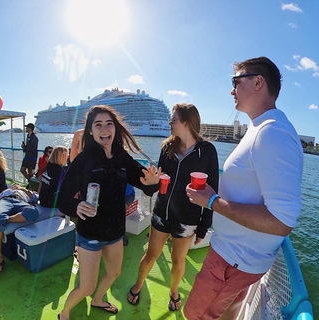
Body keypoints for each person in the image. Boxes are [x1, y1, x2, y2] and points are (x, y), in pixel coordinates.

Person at [184, 57, 303, 320]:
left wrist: (212, 201)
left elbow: (282, 221)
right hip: (238, 259)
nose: (231, 90)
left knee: (196, 315)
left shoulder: (271, 133)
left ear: (258, 82)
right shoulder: (261, 128)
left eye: (236, 82)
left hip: (232, 261)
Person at [57, 105, 161, 319]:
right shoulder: (84, 160)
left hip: (115, 232)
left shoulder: (122, 157)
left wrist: (153, 184)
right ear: (91, 131)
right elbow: (63, 199)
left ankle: (98, 300)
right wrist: (76, 206)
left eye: (109, 124)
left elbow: (144, 183)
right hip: (91, 235)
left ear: (114, 129)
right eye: (98, 125)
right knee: (86, 286)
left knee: (114, 273)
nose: (104, 129)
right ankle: (64, 313)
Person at [127, 103, 219, 311]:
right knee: (151, 255)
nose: (170, 123)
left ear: (186, 123)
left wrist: (204, 226)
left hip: (187, 219)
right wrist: (150, 185)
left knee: (178, 262)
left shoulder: (207, 152)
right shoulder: (167, 148)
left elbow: (212, 189)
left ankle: (174, 291)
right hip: (161, 214)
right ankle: (138, 284)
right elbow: (159, 184)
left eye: (173, 120)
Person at [0, 184, 40, 273]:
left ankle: (2, 220)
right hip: (5, 201)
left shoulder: (27, 192)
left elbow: (34, 198)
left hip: (20, 202)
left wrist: (22, 189)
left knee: (33, 212)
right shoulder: (6, 191)